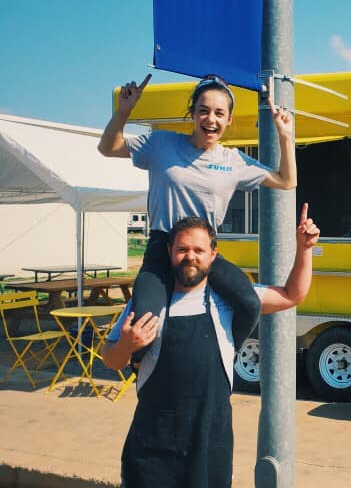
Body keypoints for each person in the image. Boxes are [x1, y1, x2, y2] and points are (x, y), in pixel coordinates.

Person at [102, 204, 319, 488]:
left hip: (210, 447)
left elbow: (293, 294)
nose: (189, 256)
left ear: (213, 255)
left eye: (198, 250)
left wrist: (304, 249)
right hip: (153, 449)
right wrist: (126, 346)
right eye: (182, 249)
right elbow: (110, 359)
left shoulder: (227, 301)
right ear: (169, 252)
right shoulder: (148, 305)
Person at [98, 73, 296, 355]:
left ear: (228, 119)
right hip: (161, 248)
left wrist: (285, 137)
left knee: (250, 304)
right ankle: (145, 368)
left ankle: (224, 354)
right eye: (203, 111)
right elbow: (108, 148)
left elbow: (287, 181)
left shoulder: (234, 161)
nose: (210, 119)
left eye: (219, 113)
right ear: (192, 114)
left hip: (205, 252)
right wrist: (124, 111)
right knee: (144, 323)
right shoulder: (162, 144)